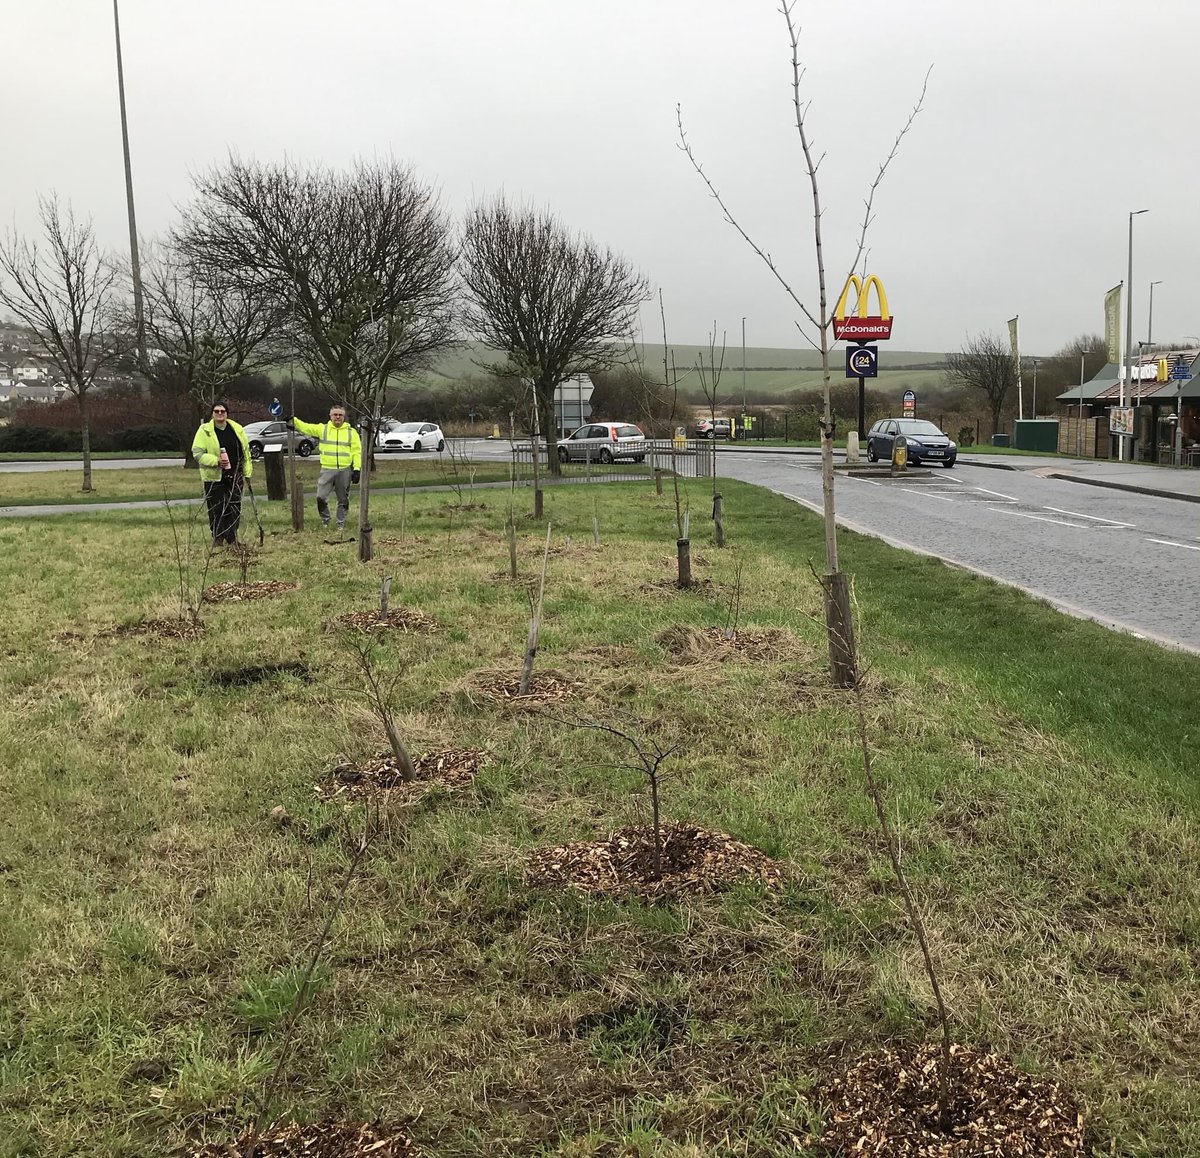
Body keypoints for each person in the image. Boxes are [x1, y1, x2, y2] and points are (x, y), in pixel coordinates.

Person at [290, 403, 362, 531]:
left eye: (340, 415)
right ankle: (326, 520)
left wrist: (356, 469)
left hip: (344, 470)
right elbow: (306, 428)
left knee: (343, 499)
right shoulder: (322, 429)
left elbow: (357, 451)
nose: (338, 417)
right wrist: (293, 420)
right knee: (320, 497)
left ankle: (341, 523)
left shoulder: (352, 433)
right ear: (330, 416)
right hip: (327, 469)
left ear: (344, 416)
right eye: (335, 415)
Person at [192, 401, 252, 546]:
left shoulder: (237, 429)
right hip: (214, 476)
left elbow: (245, 451)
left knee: (234, 506)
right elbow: (197, 453)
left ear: (227, 413)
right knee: (216, 507)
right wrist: (216, 461)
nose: (220, 414)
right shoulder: (204, 430)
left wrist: (247, 472)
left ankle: (232, 537)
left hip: (235, 474)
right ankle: (218, 537)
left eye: (222, 411)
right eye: (217, 411)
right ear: (212, 414)